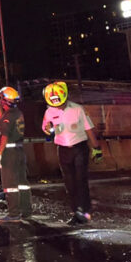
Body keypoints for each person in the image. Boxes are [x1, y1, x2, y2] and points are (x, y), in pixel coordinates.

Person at [41, 81, 103, 225]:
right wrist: (48, 128)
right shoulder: (49, 112)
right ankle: (76, 212)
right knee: (70, 183)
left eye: (58, 101)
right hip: (62, 149)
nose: (56, 105)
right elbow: (45, 128)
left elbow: (89, 130)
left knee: (81, 180)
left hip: (79, 148)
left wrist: (97, 148)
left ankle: (84, 210)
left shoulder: (77, 109)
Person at [0, 86, 32, 222]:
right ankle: (26, 211)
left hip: (9, 153)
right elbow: (4, 120)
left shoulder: (9, 115)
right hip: (19, 151)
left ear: (4, 100)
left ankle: (14, 214)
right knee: (22, 183)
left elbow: (4, 135)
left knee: (10, 185)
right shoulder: (17, 113)